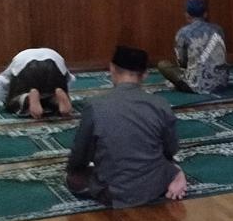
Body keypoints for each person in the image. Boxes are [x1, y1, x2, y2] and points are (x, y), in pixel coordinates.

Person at [65, 45, 187, 208]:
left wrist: (74, 169)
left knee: (74, 178)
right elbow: (170, 150)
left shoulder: (95, 105)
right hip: (154, 188)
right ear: (145, 75)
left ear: (111, 68)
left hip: (113, 192)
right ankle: (173, 175)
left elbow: (80, 153)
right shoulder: (160, 104)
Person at [157, 0, 228, 94]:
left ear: (187, 15)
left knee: (163, 65)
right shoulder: (218, 29)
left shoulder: (183, 32)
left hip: (197, 85)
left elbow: (182, 62)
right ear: (205, 14)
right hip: (222, 82)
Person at [0, 48, 75, 118]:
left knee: (14, 102)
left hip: (25, 67)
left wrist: (7, 100)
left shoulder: (8, 72)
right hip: (54, 61)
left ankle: (27, 98)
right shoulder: (49, 52)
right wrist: (64, 90)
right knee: (50, 95)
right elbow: (71, 79)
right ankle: (56, 100)